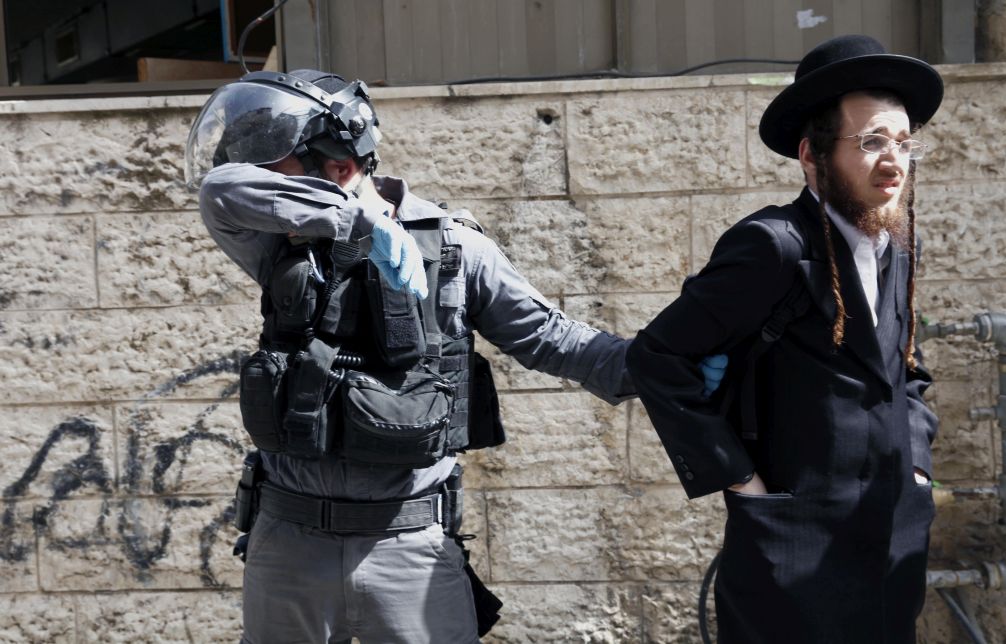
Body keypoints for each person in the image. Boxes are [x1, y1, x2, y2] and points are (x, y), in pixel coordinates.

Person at [186, 69, 723, 644]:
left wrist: (666, 365)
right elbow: (221, 190)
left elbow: (551, 338)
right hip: (288, 544)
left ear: (340, 168)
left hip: (409, 545)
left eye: (279, 170)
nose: (274, 195)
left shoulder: (453, 247)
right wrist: (356, 220)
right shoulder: (280, 240)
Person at [625, 35, 943, 643]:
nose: (894, 161)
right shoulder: (774, 246)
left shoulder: (900, 242)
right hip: (791, 544)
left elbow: (906, 368)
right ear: (812, 155)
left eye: (903, 143)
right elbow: (657, 357)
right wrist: (743, 483)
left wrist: (918, 467)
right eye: (871, 141)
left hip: (893, 539)